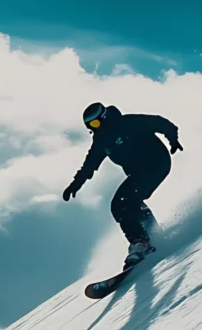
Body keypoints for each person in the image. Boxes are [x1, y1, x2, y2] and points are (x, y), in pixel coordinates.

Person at [62, 102, 183, 267]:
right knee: (129, 204)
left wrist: (173, 139)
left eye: (96, 123)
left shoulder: (127, 123)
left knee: (121, 202)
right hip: (139, 173)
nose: (95, 128)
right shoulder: (101, 141)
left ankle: (140, 242)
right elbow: (89, 165)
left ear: (104, 118)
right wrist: (75, 184)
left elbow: (160, 122)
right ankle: (153, 234)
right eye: (91, 126)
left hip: (156, 163)